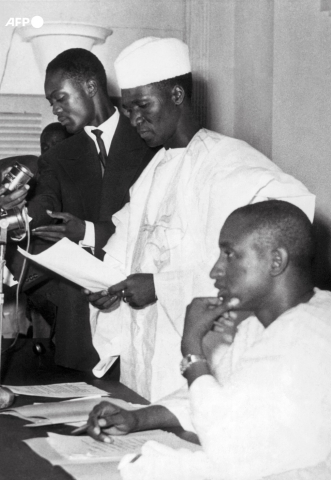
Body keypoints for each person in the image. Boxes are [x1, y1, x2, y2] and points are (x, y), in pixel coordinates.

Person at [85, 37, 315, 401]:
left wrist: (162, 286)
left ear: (177, 95)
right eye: (127, 110)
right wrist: (106, 286)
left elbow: (282, 262)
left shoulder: (236, 166)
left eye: (143, 105)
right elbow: (121, 250)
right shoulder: (152, 172)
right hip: (146, 358)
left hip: (209, 358)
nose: (134, 119)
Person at [86, 200, 331, 480]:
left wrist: (192, 347)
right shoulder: (262, 323)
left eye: (229, 254)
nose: (215, 271)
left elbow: (228, 449)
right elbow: (224, 398)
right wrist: (136, 419)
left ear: (276, 261)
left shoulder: (306, 336)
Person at [0, 48, 157, 370]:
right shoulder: (57, 156)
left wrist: (87, 231)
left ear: (91, 87)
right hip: (80, 316)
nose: (55, 110)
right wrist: (18, 216)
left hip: (143, 304)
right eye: (51, 103)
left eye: (59, 98)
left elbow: (154, 223)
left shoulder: (150, 141)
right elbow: (45, 205)